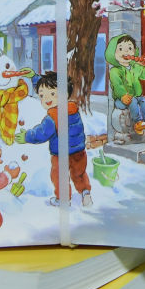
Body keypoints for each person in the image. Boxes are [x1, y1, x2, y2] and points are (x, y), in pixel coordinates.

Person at [16, 71, 92, 208]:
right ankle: (85, 192)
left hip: (60, 154)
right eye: (41, 95)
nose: (46, 98)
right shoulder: (73, 109)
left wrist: (26, 136)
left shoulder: (53, 117)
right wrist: (34, 77)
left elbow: (41, 133)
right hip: (79, 152)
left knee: (59, 176)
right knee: (79, 173)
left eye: (52, 94)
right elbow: (48, 86)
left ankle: (63, 200)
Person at [106, 34, 145, 136]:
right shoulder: (115, 71)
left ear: (134, 51)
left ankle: (142, 122)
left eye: (130, 48)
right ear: (113, 52)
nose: (126, 52)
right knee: (133, 101)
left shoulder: (135, 67)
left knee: (144, 100)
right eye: (120, 49)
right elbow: (117, 85)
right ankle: (138, 122)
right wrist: (123, 95)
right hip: (121, 99)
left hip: (136, 97)